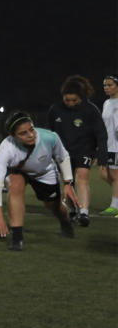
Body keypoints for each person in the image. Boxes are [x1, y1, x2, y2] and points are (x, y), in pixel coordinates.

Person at [0, 111, 78, 251]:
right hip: (19, 171)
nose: (30, 135)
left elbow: (63, 157)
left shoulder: (49, 137)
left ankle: (65, 221)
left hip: (44, 172)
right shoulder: (6, 148)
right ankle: (17, 238)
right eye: (23, 133)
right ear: (13, 136)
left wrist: (68, 183)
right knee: (15, 185)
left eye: (31, 129)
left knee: (53, 206)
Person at [46, 75, 108, 226]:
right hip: (63, 152)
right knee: (68, 182)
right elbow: (51, 133)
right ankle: (72, 211)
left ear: (81, 97)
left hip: (84, 148)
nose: (71, 103)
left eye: (75, 100)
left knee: (82, 177)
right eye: (67, 100)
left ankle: (84, 213)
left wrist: (102, 156)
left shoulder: (90, 110)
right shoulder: (55, 110)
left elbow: (101, 134)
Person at [100, 74, 118, 216]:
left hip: (116, 146)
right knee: (104, 174)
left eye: (110, 85)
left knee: (114, 175)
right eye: (105, 85)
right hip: (106, 145)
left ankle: (114, 206)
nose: (106, 87)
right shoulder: (107, 103)